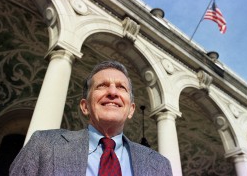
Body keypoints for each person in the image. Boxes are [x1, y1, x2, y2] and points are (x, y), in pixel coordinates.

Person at [10, 60, 172, 176]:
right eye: (102, 86)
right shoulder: (44, 144)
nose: (113, 92)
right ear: (85, 106)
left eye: (121, 87)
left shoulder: (160, 166)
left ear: (131, 109)